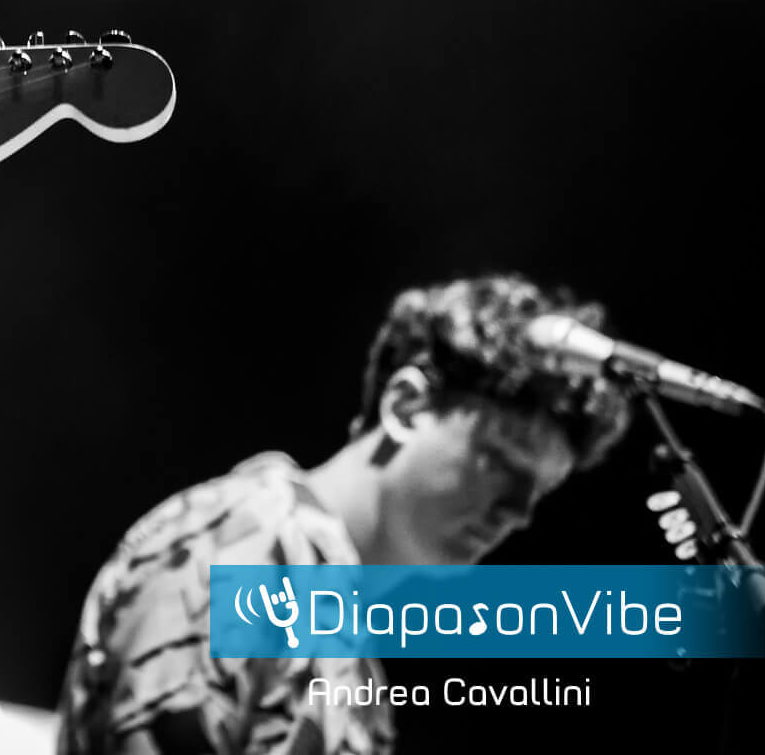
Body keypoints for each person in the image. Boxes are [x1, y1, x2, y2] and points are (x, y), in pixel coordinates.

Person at [55, 273, 630, 755]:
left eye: (539, 493)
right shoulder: (246, 541)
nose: (519, 513)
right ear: (406, 406)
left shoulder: (341, 636)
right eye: (499, 464)